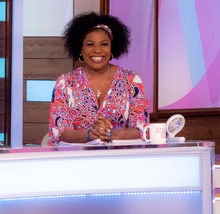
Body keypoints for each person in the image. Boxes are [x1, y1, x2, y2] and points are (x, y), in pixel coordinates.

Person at [49, 12, 149, 145]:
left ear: (112, 47)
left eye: (104, 44)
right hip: (77, 160)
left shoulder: (131, 80)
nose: (97, 50)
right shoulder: (65, 83)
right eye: (90, 44)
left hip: (120, 159)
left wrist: (110, 133)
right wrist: (90, 134)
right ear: (81, 49)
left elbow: (142, 129)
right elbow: (58, 132)